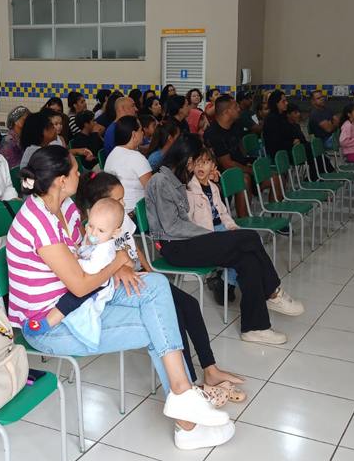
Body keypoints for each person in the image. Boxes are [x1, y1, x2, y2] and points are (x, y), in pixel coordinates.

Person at [7, 145, 235, 450]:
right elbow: (79, 285)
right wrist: (116, 264)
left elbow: (89, 252)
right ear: (61, 180)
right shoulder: (39, 222)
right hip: (52, 326)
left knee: (157, 285)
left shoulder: (66, 207)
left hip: (81, 302)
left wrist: (118, 266)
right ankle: (187, 420)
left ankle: (184, 398)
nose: (79, 175)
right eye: (74, 171)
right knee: (158, 324)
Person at [75, 171, 246, 404]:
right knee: (174, 313)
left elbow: (134, 247)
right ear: (100, 204)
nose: (124, 204)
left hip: (142, 276)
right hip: (124, 284)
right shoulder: (95, 230)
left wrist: (151, 271)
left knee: (189, 304)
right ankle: (189, 383)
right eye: (118, 200)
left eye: (123, 198)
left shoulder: (121, 219)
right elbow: (94, 264)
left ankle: (211, 369)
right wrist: (121, 269)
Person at [146, 133, 304, 345]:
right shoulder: (160, 181)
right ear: (189, 159)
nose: (198, 166)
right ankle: (272, 292)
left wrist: (212, 179)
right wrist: (211, 235)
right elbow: (172, 226)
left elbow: (202, 193)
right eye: (197, 161)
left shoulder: (179, 176)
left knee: (248, 260)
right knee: (249, 238)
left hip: (189, 241)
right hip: (176, 247)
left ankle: (255, 328)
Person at [21, 198, 125, 351]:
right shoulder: (97, 240)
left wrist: (74, 261)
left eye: (101, 231)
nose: (93, 233)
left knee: (69, 301)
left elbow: (91, 269)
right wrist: (80, 252)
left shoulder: (106, 249)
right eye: (90, 226)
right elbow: (86, 252)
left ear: (115, 233)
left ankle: (45, 324)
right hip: (88, 280)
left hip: (97, 285)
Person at [204, 96, 283, 219]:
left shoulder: (234, 127)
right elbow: (227, 164)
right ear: (227, 112)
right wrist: (251, 171)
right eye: (235, 106)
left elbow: (240, 147)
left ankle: (276, 219)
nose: (239, 109)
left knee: (277, 177)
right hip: (224, 175)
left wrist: (247, 161)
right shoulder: (214, 133)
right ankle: (245, 221)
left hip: (241, 167)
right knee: (244, 179)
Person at [186, 146, 239, 305]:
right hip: (207, 234)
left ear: (213, 166)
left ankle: (224, 281)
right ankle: (225, 283)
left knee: (254, 241)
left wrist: (232, 226)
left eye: (205, 162)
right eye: (197, 162)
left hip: (221, 228)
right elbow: (187, 222)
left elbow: (223, 213)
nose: (200, 166)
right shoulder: (189, 190)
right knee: (241, 249)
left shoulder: (214, 187)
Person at [264, 90, 329, 179]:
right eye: (283, 101)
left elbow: (291, 133)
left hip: (290, 148)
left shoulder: (282, 117)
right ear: (276, 103)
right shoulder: (272, 119)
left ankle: (318, 176)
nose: (286, 103)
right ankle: (318, 176)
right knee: (311, 151)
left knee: (313, 150)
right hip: (280, 153)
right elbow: (276, 141)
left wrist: (296, 140)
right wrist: (291, 142)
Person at [103, 116, 152, 215]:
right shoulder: (136, 158)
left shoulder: (112, 155)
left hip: (116, 212)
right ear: (134, 134)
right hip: (135, 214)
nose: (142, 133)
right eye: (140, 130)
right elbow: (152, 189)